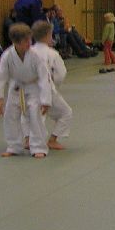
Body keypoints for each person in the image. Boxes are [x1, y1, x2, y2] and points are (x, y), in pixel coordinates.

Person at [0, 23, 52, 158]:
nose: (29, 43)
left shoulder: (36, 55)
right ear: (16, 42)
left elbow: (44, 77)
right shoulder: (8, 55)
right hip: (16, 87)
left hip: (33, 87)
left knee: (35, 115)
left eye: (30, 39)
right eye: (25, 41)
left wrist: (46, 100)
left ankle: (38, 147)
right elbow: (0, 75)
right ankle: (14, 146)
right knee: (10, 115)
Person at [30, 20, 72, 150]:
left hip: (27, 90)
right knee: (66, 112)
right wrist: (55, 84)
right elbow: (61, 73)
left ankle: (27, 140)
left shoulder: (27, 52)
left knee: (30, 115)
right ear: (49, 35)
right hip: (47, 90)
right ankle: (52, 140)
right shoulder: (52, 53)